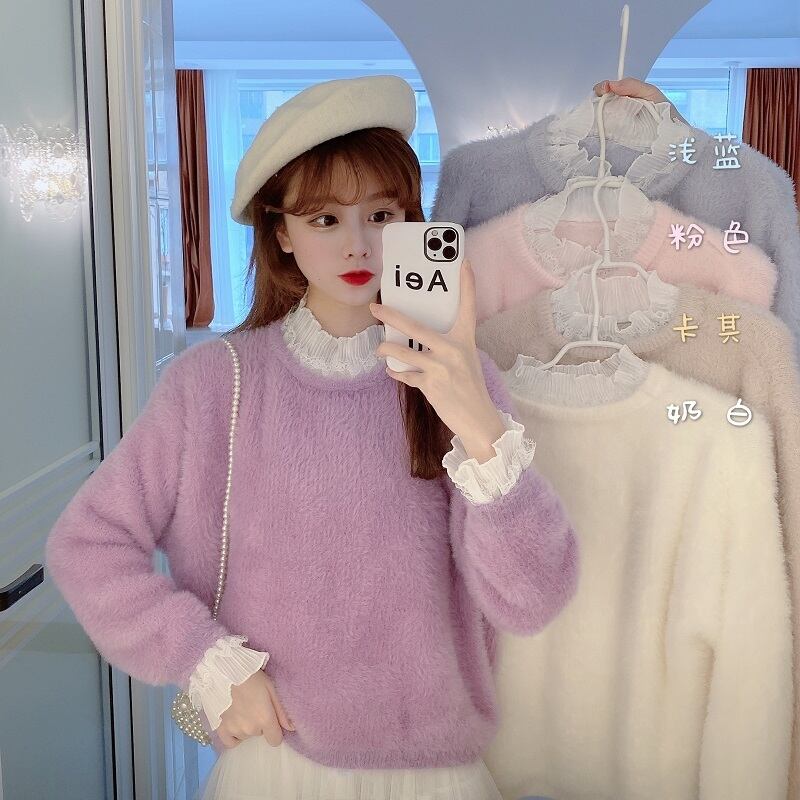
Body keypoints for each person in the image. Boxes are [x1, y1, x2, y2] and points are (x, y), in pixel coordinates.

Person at [44, 73, 661, 800]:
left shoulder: (458, 378)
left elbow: (532, 600)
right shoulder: (214, 385)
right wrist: (204, 660)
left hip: (435, 774)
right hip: (278, 765)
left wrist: (475, 418)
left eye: (381, 214)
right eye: (324, 219)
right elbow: (87, 545)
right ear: (281, 232)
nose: (358, 243)